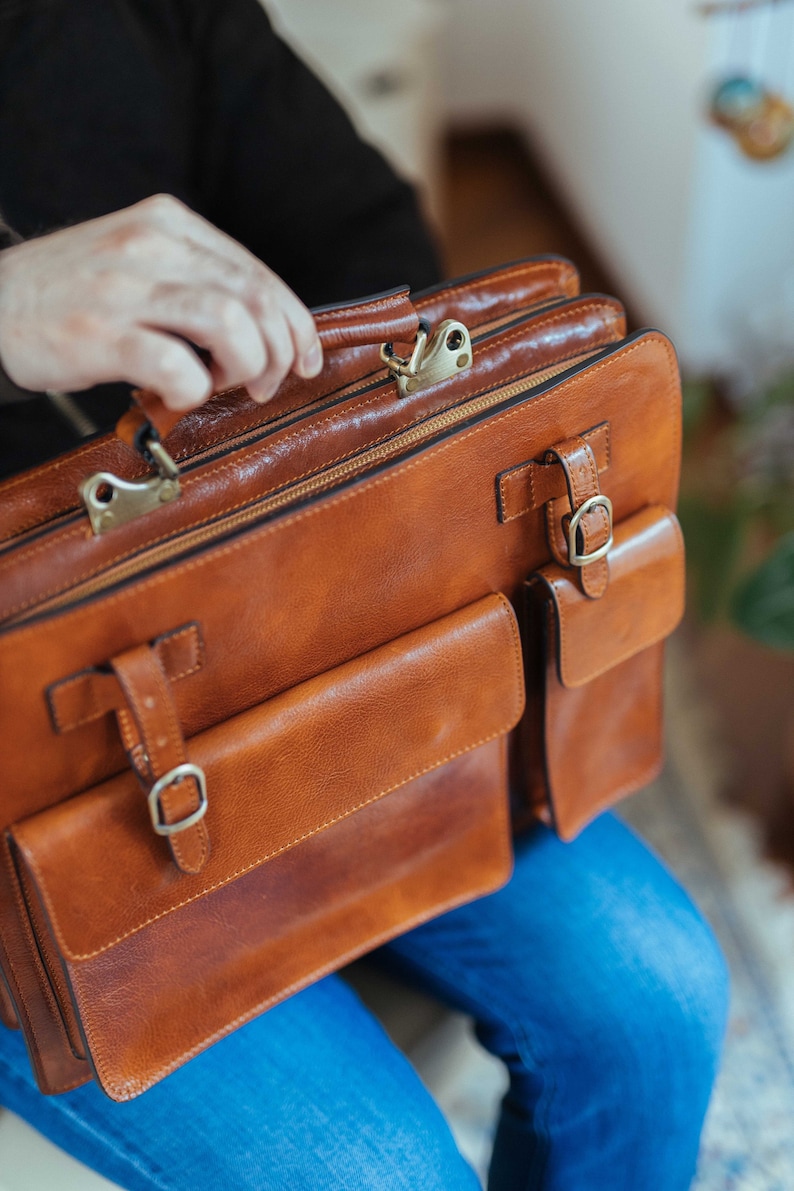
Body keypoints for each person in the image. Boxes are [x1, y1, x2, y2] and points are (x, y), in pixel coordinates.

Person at [0, 3, 729, 1188]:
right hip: (34, 807)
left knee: (654, 1002)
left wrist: (311, 415)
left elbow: (365, 235)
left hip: (279, 651)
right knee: (376, 1173)